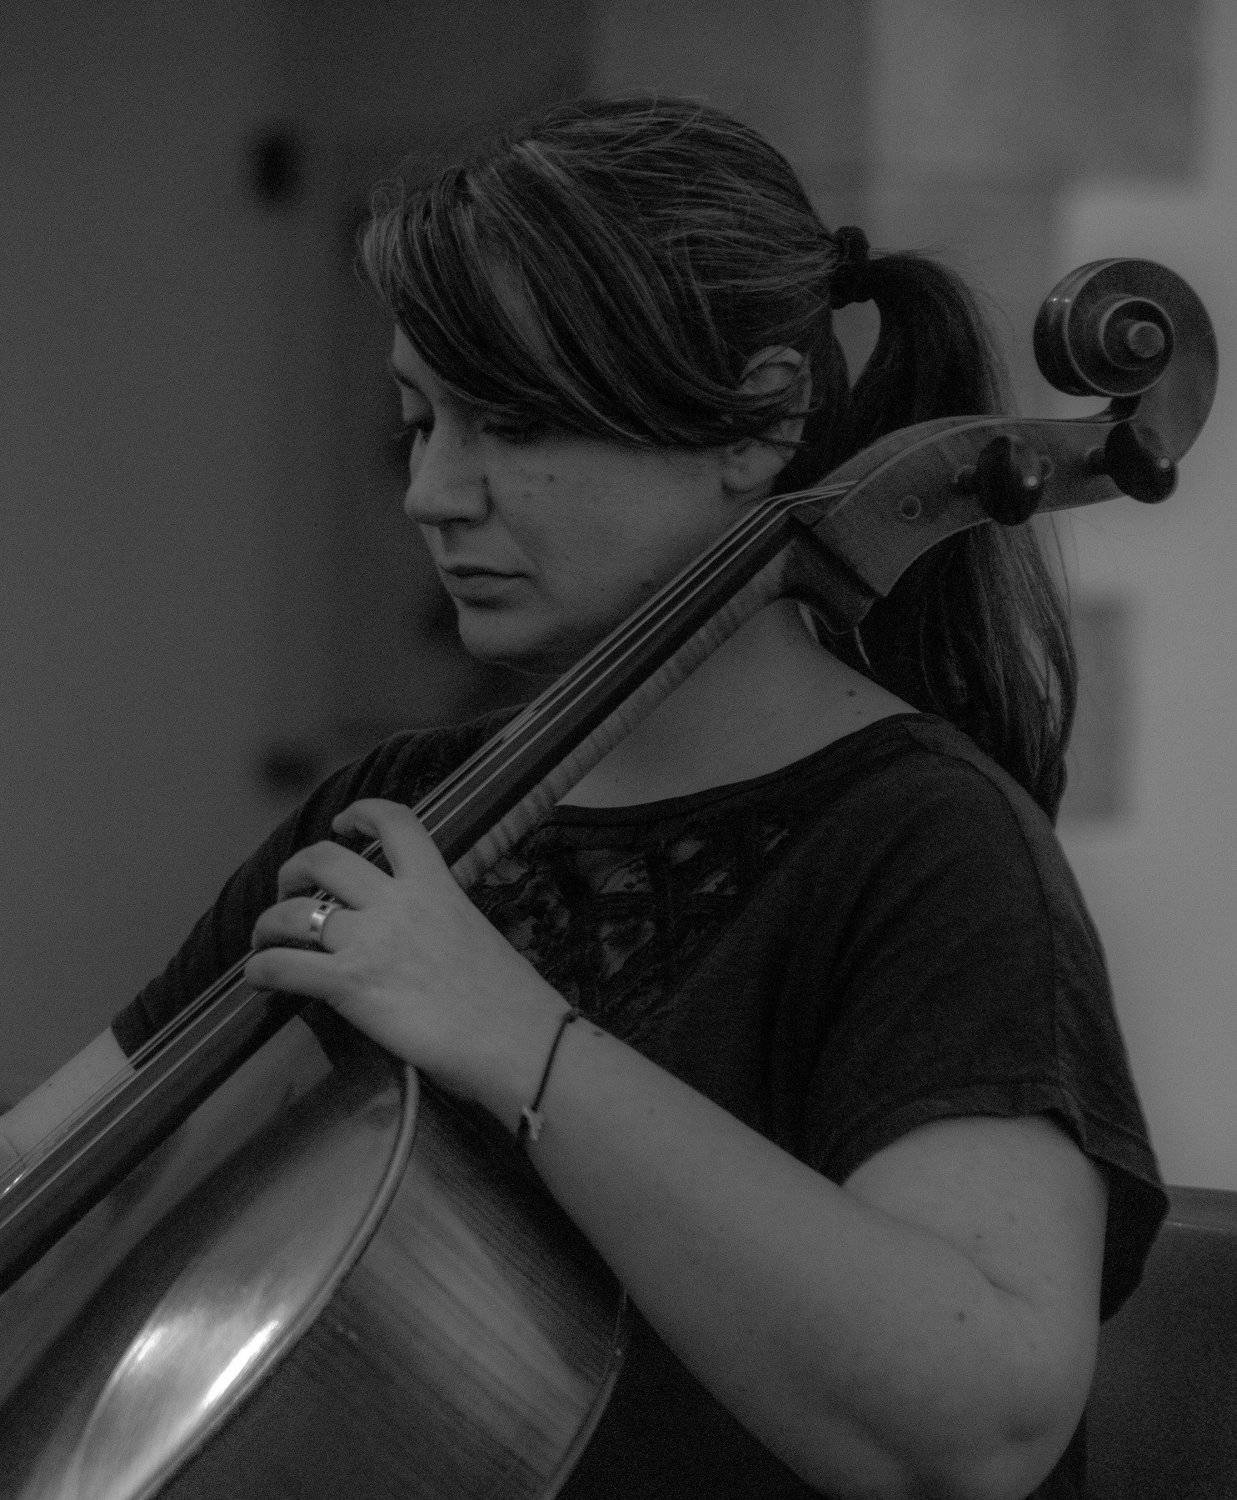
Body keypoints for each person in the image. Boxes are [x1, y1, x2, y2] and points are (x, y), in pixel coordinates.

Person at [2, 96, 1165, 1498]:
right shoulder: (395, 816)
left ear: (762, 417)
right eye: (420, 420)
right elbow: (49, 1171)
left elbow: (979, 1425)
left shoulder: (926, 847)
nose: (433, 491)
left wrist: (512, 1035)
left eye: (511, 420)